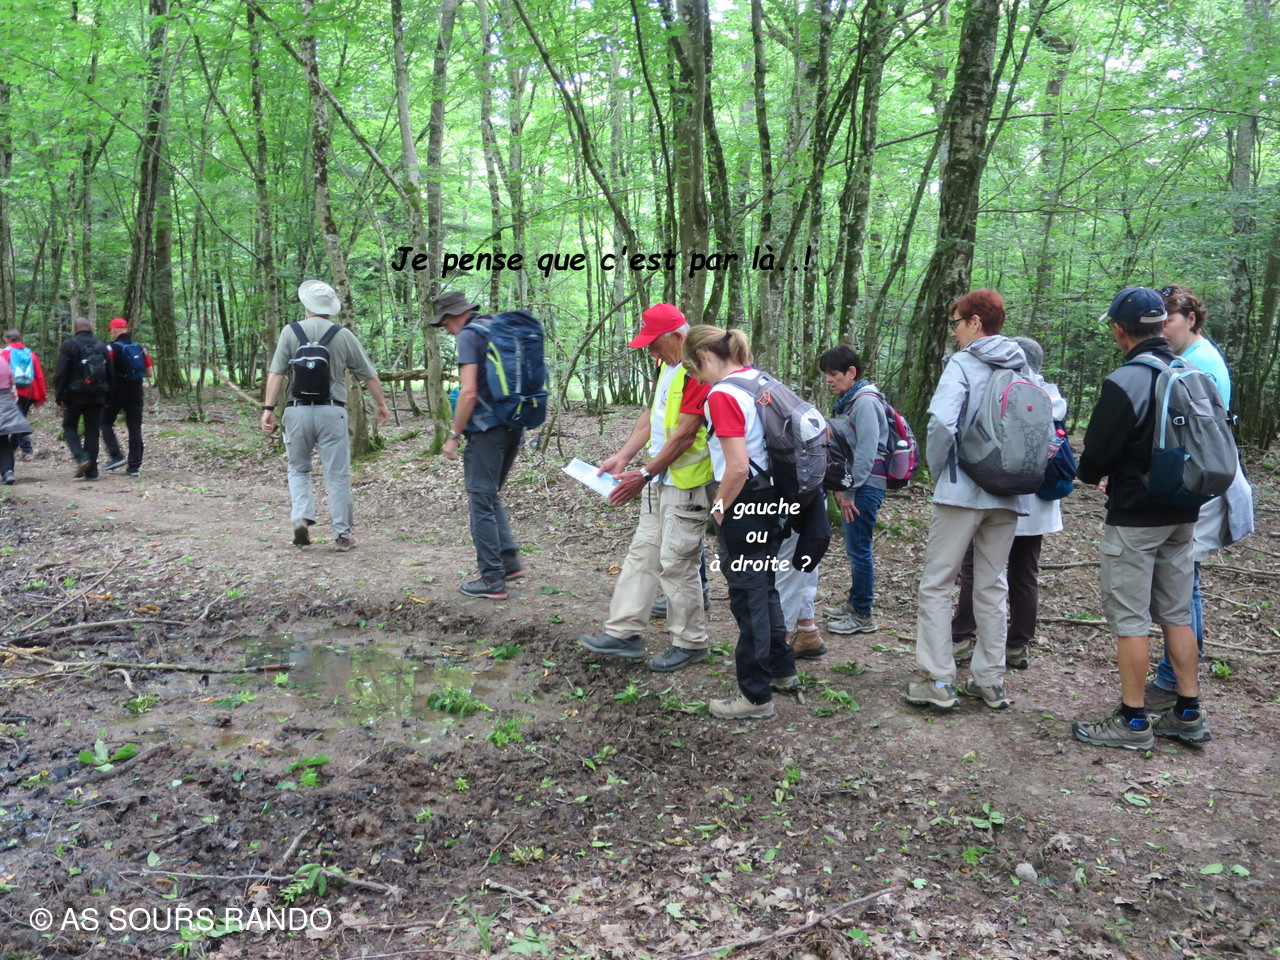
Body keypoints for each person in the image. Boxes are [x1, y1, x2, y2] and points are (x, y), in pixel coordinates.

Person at [1072, 286, 1209, 750]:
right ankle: (1188, 711)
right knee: (1177, 613)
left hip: (1136, 517)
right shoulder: (1188, 371)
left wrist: (1096, 472)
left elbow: (1094, 459)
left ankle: (1133, 721)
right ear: (1160, 324)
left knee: (1131, 619)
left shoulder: (1127, 380)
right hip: (1185, 511)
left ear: (1119, 330)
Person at [905, 289, 1030, 712]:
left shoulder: (962, 363)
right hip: (1008, 491)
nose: (954, 331)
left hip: (962, 490)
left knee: (937, 583)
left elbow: (942, 422)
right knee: (993, 586)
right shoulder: (1022, 365)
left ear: (975, 322)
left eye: (957, 323)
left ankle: (938, 680)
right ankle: (990, 681)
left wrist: (940, 472)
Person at [578, 304, 716, 671]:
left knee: (677, 563)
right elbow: (651, 415)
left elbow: (686, 434)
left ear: (678, 336)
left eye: (655, 343)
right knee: (642, 554)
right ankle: (622, 633)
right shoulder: (666, 365)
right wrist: (623, 457)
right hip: (658, 478)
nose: (650, 350)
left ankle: (691, 642)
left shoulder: (698, 370)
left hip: (686, 482)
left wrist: (644, 473)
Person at [1145, 284, 1253, 711]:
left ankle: (1174, 679)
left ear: (1190, 319)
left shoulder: (1198, 363)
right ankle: (1175, 674)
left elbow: (1194, 435)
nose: (1163, 329)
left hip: (1202, 481)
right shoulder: (1193, 357)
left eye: (1169, 320)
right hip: (1202, 478)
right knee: (1183, 577)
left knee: (1182, 579)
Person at [683, 325, 795, 720]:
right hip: (774, 497)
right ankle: (782, 669)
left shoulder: (723, 394)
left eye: (693, 370)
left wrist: (719, 509)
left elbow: (737, 467)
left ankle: (754, 695)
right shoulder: (758, 381)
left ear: (703, 357)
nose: (697, 380)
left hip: (744, 502)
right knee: (765, 587)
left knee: (748, 597)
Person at [950, 337, 1065, 671]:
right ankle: (1017, 645)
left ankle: (961, 637)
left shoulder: (1005, 389)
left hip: (1000, 496)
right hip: (1038, 503)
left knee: (976, 568)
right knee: (1024, 574)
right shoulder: (1052, 397)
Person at [261, 280, 390, 551]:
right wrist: (381, 405)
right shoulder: (343, 335)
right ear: (330, 308)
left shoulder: (290, 331)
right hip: (332, 411)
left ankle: (301, 518)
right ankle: (342, 534)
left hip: (296, 411)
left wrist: (268, 409)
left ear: (307, 305)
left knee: (298, 469)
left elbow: (276, 373)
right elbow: (369, 374)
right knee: (337, 475)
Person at [434, 290, 526, 599]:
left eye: (445, 323)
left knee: (480, 502)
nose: (447, 330)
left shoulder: (468, 336)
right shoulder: (497, 327)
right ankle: (509, 562)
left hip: (486, 430)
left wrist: (453, 435)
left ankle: (491, 579)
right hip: (513, 424)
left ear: (453, 316)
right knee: (488, 495)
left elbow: (469, 392)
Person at [819, 345, 889, 639]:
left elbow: (866, 452)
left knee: (859, 550)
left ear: (851, 372)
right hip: (858, 485)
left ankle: (863, 614)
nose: (829, 380)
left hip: (866, 486)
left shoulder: (865, 402)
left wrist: (849, 491)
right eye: (826, 374)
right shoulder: (851, 402)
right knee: (855, 548)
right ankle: (855, 603)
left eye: (833, 374)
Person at [54, 317, 113, 480]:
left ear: (75, 328)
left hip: (74, 396)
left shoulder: (69, 344)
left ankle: (82, 457)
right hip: (97, 396)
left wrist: (59, 396)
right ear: (90, 328)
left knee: (69, 426)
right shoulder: (101, 345)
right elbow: (110, 373)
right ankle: (92, 471)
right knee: (92, 431)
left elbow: (61, 372)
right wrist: (108, 398)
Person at [100, 317, 153, 477]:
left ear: (115, 330)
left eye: (111, 330)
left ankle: (116, 455)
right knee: (134, 427)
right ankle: (134, 466)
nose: (111, 333)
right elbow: (149, 373)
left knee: (105, 421)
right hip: (136, 392)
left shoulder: (110, 348)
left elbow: (104, 371)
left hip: (116, 391)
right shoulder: (139, 347)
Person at [1, 329, 47, 460]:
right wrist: (41, 396)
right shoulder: (30, 354)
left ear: (7, 339)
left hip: (11, 392)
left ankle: (26, 450)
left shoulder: (5, 353)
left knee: (16, 424)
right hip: (29, 392)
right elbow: (39, 375)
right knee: (19, 422)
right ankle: (11, 452)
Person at [0, 353, 34, 485]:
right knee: (3, 439)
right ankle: (8, 471)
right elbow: (11, 382)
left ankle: (7, 471)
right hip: (6, 402)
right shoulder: (2, 361)